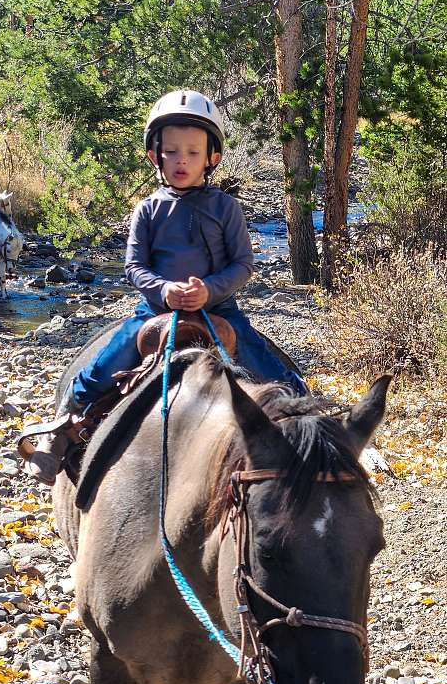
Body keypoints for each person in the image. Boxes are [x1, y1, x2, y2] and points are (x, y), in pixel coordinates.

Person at [25, 89, 307, 484]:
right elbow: (134, 266)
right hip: (156, 310)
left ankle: (310, 425)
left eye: (193, 153)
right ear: (153, 156)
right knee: (106, 362)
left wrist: (210, 290)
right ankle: (61, 429)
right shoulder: (148, 209)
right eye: (171, 151)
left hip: (219, 309)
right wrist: (163, 290)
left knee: (269, 368)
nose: (181, 161)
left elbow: (243, 265)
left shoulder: (226, 208)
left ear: (213, 158)